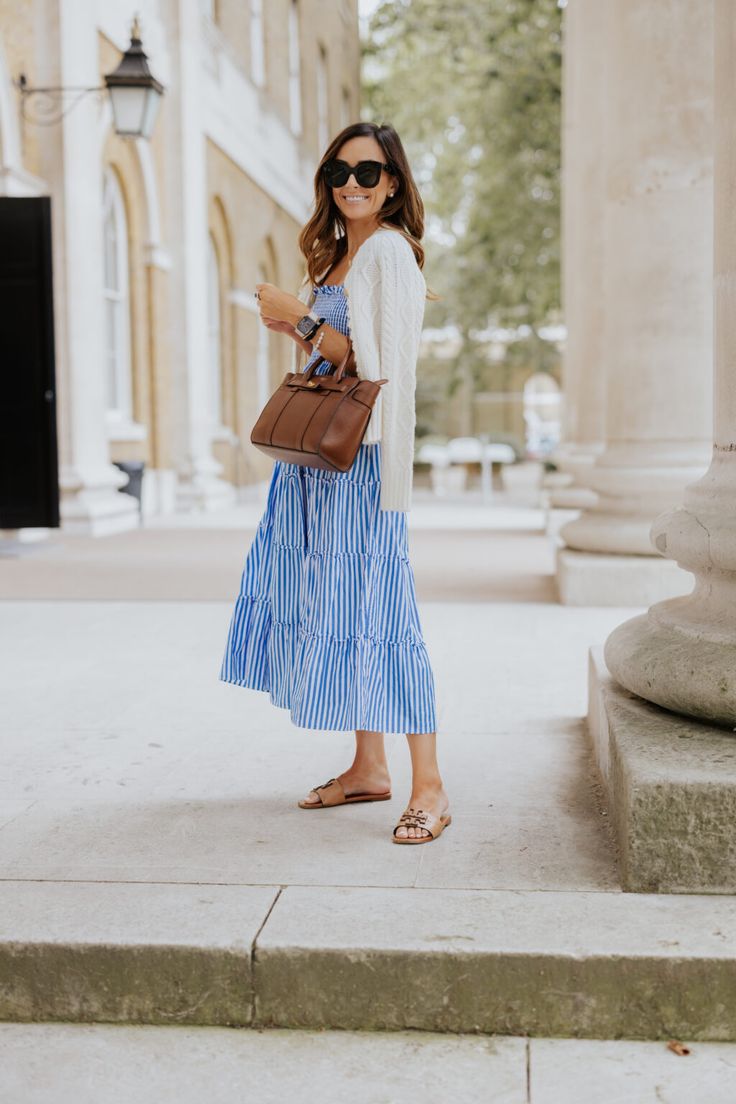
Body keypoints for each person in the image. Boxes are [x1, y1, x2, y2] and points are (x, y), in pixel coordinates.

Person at [219, 121, 451, 844]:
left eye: (369, 172)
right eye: (339, 173)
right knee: (344, 606)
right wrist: (300, 324)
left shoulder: (388, 254)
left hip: (363, 464)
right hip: (318, 466)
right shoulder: (339, 257)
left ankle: (432, 788)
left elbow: (382, 371)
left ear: (394, 183)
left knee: (383, 610)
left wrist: (303, 321)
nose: (352, 184)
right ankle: (367, 767)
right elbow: (335, 360)